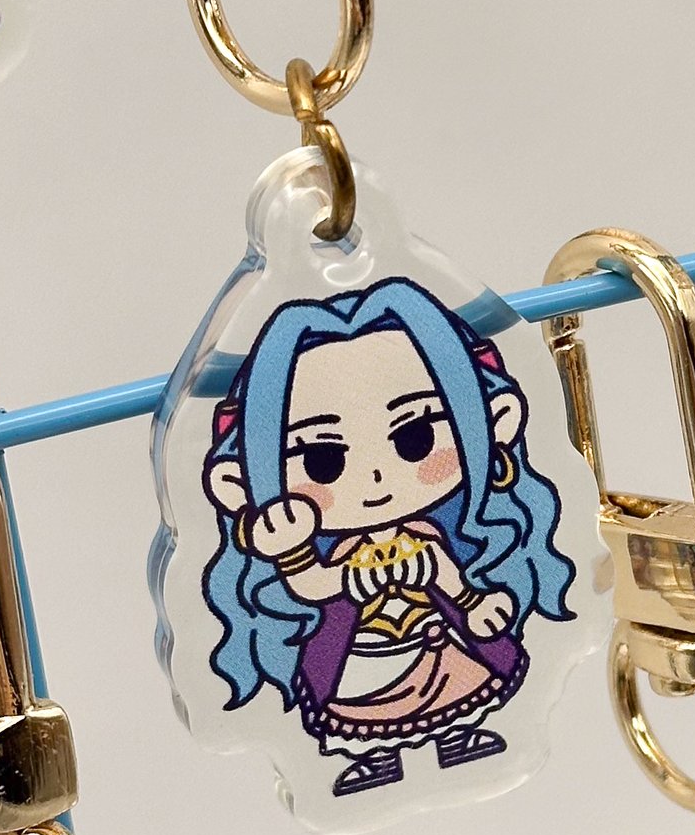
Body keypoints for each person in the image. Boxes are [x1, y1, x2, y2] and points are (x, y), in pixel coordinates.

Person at [201, 279, 576, 794]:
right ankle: (377, 757)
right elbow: (313, 587)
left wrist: (474, 603)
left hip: (433, 634)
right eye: (323, 460)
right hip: (366, 647)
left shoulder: (425, 533)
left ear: (493, 422)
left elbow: (448, 575)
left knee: (454, 681)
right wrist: (292, 552)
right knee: (363, 702)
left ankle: (456, 736)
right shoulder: (343, 551)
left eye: (415, 437)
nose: (375, 478)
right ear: (240, 485)